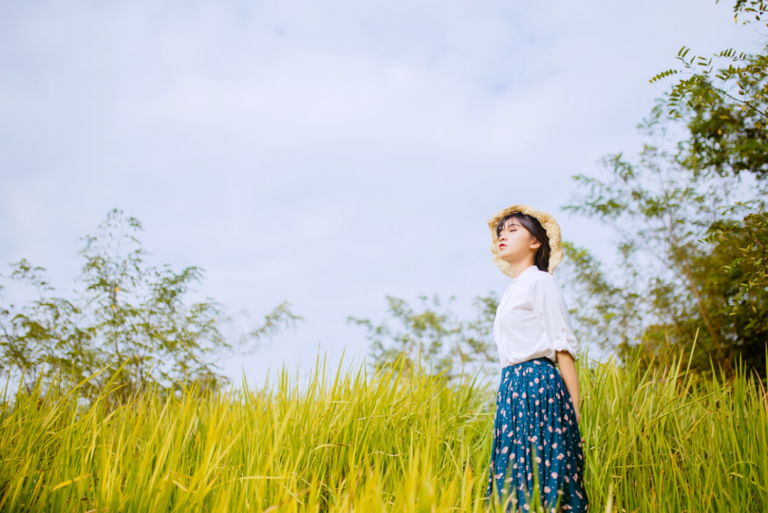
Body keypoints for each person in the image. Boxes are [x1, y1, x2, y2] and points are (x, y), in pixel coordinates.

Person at [485, 204, 589, 513]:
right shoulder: (512, 291)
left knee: (544, 475)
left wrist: (574, 409)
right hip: (512, 389)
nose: (503, 236)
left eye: (513, 229)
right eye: (501, 232)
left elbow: (562, 346)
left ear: (536, 242)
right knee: (513, 477)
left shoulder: (540, 281)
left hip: (538, 386)